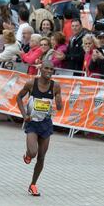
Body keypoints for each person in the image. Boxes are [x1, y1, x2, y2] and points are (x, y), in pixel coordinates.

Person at [16, 60, 62, 196]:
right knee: (33, 152)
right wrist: (24, 115)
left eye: (51, 70)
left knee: (41, 157)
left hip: (46, 123)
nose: (49, 71)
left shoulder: (55, 86)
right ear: (41, 69)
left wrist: (59, 102)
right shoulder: (31, 83)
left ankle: (33, 185)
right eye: (46, 69)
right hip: (32, 123)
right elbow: (18, 97)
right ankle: (28, 155)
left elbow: (59, 107)